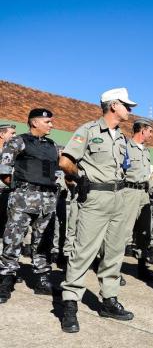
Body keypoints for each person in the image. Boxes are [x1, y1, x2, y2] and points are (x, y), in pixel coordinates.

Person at [59, 88, 135, 333]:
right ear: (113, 105)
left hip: (118, 197)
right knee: (84, 252)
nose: (130, 110)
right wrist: (79, 178)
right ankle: (70, 303)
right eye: (126, 105)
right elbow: (65, 160)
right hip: (95, 197)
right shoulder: (89, 130)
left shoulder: (122, 137)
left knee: (114, 252)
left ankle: (109, 301)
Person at [0, 110, 58, 304]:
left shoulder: (52, 146)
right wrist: (21, 190)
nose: (51, 125)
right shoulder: (19, 141)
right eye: (47, 121)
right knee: (13, 238)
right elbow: (4, 170)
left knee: (43, 240)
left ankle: (42, 278)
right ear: (34, 123)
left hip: (47, 199)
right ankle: (6, 277)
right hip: (23, 197)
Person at [123, 118, 153, 279]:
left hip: (144, 193)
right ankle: (113, 270)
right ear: (142, 130)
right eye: (150, 131)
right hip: (129, 191)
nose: (151, 134)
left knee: (145, 232)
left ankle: (142, 267)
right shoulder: (125, 147)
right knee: (124, 231)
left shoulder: (147, 151)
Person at [0, 124, 17, 253]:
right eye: (12, 133)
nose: (15, 136)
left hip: (8, 193)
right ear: (2, 134)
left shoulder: (12, 153)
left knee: (5, 227)